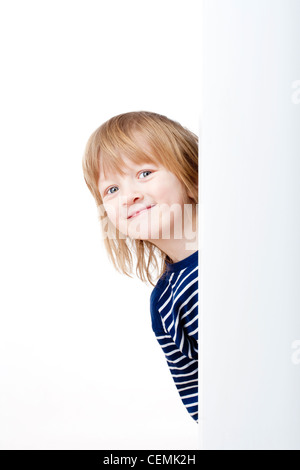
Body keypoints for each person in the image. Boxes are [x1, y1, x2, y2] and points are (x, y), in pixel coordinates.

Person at [82, 111, 198, 422]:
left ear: (191, 174)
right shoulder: (165, 305)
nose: (130, 195)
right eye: (112, 189)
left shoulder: (247, 243)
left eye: (144, 173)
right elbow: (205, 406)